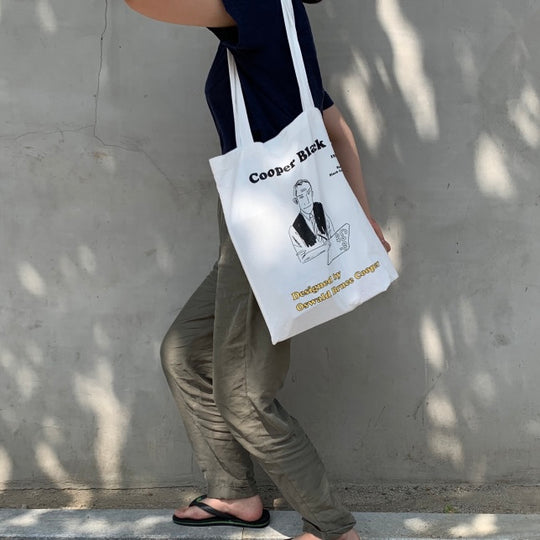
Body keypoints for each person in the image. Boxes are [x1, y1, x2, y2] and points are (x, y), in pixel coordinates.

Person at [123, 1, 391, 539]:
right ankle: (234, 492)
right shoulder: (276, 33)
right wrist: (364, 215)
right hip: (246, 235)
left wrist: (361, 220)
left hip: (265, 235)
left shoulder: (263, 7)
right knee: (184, 353)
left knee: (243, 396)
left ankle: (332, 526)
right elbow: (334, 128)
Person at [289, 179, 335, 264]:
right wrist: (324, 247)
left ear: (312, 193)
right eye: (301, 197)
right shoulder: (294, 229)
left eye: (308, 193)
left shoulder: (320, 208)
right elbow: (303, 257)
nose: (307, 200)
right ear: (296, 201)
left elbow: (332, 233)